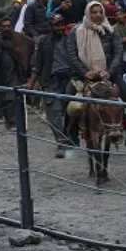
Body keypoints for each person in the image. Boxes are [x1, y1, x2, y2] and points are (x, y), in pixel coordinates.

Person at [66, 2, 126, 142]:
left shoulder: (111, 31)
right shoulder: (76, 32)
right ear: (88, 14)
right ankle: (70, 134)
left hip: (109, 74)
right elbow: (72, 55)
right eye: (94, 12)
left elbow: (118, 52)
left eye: (100, 12)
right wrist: (85, 72)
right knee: (68, 97)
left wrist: (109, 71)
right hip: (84, 75)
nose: (98, 15)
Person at [28, 14, 73, 157]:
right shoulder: (44, 42)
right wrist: (31, 82)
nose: (58, 27)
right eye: (55, 25)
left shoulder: (71, 40)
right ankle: (61, 143)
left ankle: (70, 138)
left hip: (70, 79)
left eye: (61, 24)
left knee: (71, 111)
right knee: (54, 113)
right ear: (51, 27)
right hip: (50, 80)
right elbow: (38, 64)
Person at [0, 16, 35, 128]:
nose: (6, 28)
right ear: (0, 28)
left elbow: (31, 45)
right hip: (0, 74)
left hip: (16, 72)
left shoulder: (20, 38)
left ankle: (15, 122)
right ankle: (8, 121)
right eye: (4, 26)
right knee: (1, 99)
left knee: (12, 96)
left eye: (8, 26)